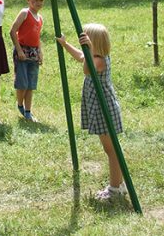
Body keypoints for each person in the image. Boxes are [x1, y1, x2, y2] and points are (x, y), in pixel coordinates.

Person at [56, 24, 127, 201]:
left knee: (111, 150)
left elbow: (87, 68)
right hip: (100, 107)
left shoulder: (99, 61)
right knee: (111, 149)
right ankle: (120, 184)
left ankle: (114, 189)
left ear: (93, 43)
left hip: (104, 109)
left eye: (85, 39)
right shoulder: (94, 56)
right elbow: (81, 57)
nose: (82, 42)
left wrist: (89, 48)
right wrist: (65, 44)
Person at [9, 0, 46, 122]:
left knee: (31, 84)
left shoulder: (40, 18)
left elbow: (37, 36)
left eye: (41, 0)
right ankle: (20, 105)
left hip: (34, 52)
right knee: (22, 83)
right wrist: (19, 50)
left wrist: (40, 52)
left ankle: (28, 111)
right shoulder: (25, 13)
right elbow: (13, 31)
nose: (38, 3)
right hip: (23, 51)